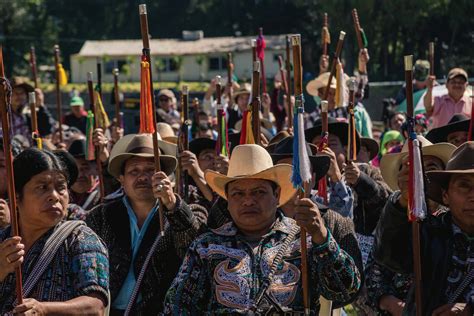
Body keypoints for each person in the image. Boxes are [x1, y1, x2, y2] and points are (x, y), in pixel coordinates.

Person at [163, 144, 362, 314]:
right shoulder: (206, 247)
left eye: (258, 192)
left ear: (276, 195)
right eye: (238, 194)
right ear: (228, 199)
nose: (248, 201)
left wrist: (322, 238)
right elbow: (176, 307)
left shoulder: (304, 241)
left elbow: (346, 290)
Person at [86, 133, 207, 315]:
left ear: (164, 176)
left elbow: (191, 248)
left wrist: (172, 205)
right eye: (134, 171)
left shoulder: (188, 211)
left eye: (150, 170)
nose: (142, 177)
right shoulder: (100, 216)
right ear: (121, 179)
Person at [0, 148, 109, 314]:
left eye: (61, 187)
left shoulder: (80, 240)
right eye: (42, 187)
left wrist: (44, 309)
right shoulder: (4, 240)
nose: (54, 196)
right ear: (16, 196)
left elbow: (95, 306)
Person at [373, 141, 473, 314]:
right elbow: (391, 257)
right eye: (464, 185)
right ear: (445, 195)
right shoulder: (428, 234)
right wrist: (403, 201)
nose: (473, 195)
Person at [304, 118, 355, 218]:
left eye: (332, 144)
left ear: (345, 150)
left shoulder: (358, 176)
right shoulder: (306, 183)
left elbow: (344, 221)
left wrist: (336, 178)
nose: (325, 150)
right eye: (318, 146)